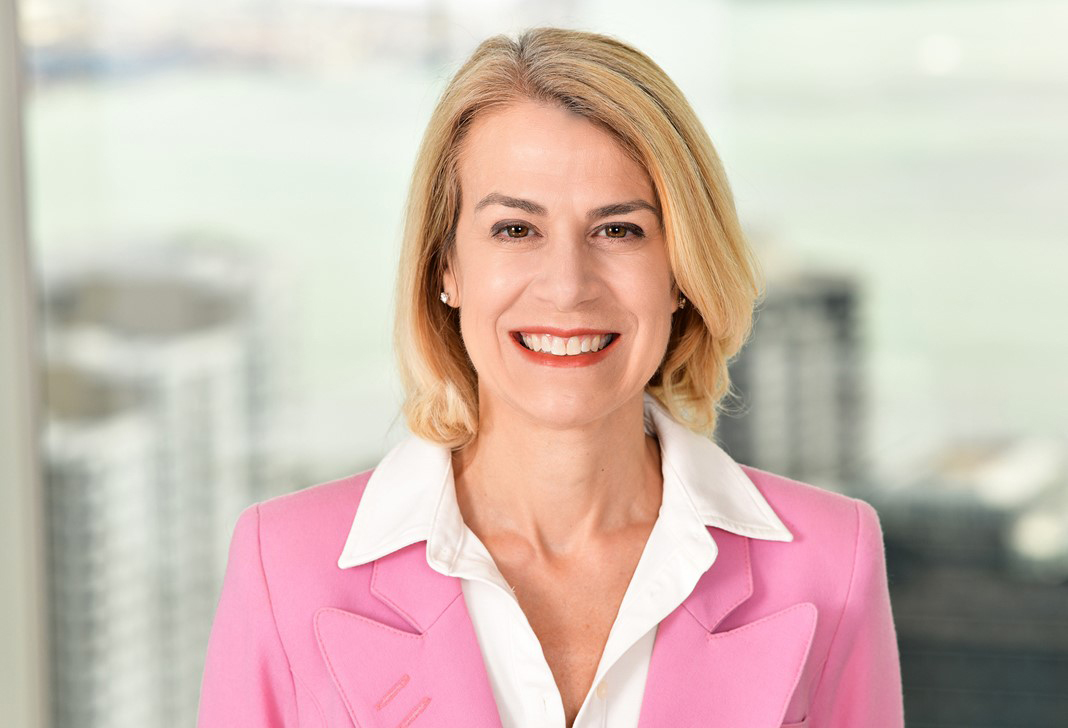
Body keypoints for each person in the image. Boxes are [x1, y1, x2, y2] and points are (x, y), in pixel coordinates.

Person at [196, 26, 904, 728]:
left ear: (680, 272)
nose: (567, 287)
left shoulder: (833, 561)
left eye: (619, 230)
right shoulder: (282, 565)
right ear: (446, 267)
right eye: (516, 229)